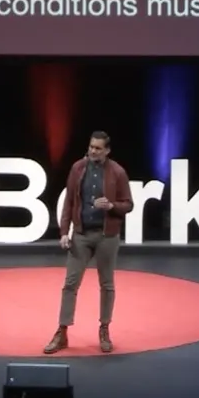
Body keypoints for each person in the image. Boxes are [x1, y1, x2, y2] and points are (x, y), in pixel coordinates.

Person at [43, 131, 134, 354]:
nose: (93, 151)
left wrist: (111, 206)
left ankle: (104, 329)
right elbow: (69, 202)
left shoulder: (118, 172)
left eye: (98, 148)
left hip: (107, 237)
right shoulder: (77, 168)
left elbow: (128, 204)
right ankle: (62, 332)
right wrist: (64, 232)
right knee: (70, 284)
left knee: (107, 285)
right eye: (91, 147)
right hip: (81, 235)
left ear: (107, 151)